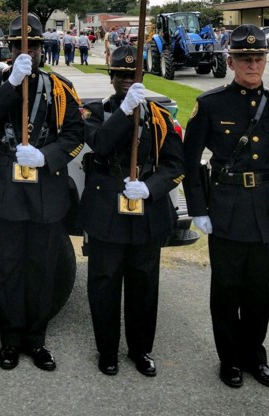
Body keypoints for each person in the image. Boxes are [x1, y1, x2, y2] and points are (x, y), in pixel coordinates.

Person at [181, 24, 269, 390]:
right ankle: (230, 361)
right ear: (231, 61)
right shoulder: (211, 105)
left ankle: (255, 357)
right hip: (227, 207)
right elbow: (189, 162)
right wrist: (198, 208)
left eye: (258, 58)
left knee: (261, 290)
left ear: (265, 62)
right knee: (227, 290)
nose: (252, 65)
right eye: (244, 58)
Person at [0, 14, 85, 372]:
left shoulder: (60, 87)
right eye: (19, 45)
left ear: (40, 48)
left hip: (45, 190)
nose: (27, 51)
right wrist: (12, 83)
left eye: (33, 45)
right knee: (7, 267)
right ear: (8, 47)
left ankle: (36, 341)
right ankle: (10, 340)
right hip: (2, 187)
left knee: (41, 268)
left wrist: (46, 156)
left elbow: (74, 135)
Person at [80, 45, 185, 378]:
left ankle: (141, 350)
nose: (127, 81)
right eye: (120, 76)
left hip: (146, 209)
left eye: (133, 76)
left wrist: (151, 187)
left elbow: (174, 165)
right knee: (104, 283)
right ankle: (107, 350)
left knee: (143, 285)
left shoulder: (160, 117)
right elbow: (99, 144)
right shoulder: (96, 112)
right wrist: (125, 113)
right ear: (111, 78)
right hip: (106, 208)